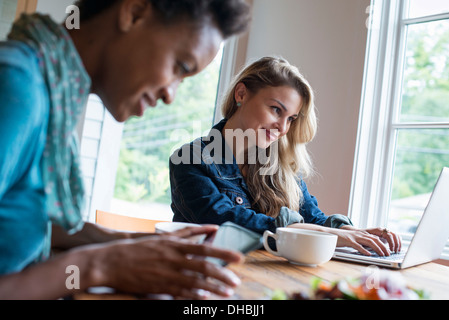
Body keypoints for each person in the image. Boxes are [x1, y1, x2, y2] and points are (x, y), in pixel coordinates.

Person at [0, 0, 251, 299]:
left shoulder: (52, 89)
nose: (171, 95)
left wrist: (126, 242)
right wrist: (99, 266)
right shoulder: (15, 89)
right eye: (180, 67)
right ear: (135, 12)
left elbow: (24, 220)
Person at [169, 56, 402, 257]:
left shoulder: (279, 165)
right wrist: (326, 234)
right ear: (241, 94)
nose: (282, 127)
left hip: (268, 278)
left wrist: (351, 232)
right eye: (276, 110)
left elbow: (312, 217)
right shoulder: (190, 160)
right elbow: (226, 222)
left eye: (291, 118)